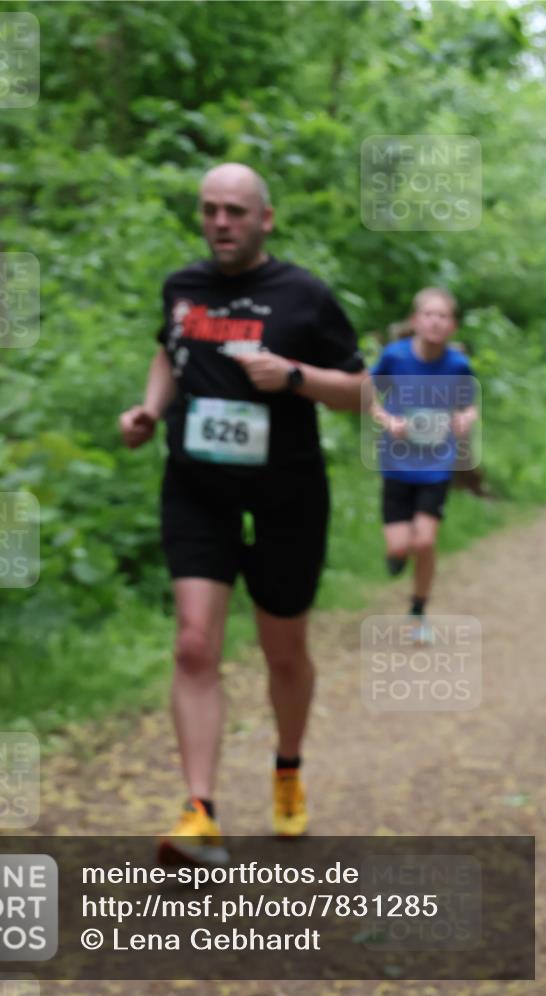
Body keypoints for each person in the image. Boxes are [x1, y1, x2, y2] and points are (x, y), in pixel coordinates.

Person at [119, 163, 365, 862]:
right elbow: (167, 353)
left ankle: (287, 767)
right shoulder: (181, 289)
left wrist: (293, 378)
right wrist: (149, 410)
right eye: (208, 210)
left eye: (233, 210)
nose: (219, 222)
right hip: (196, 487)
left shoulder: (304, 296)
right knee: (194, 643)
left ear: (265, 218)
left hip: (286, 492)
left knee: (282, 652)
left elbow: (362, 391)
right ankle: (199, 811)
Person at [369, 287, 478, 643]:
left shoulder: (458, 366)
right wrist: (388, 421)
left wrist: (465, 419)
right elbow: (367, 393)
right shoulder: (394, 357)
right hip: (397, 464)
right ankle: (397, 555)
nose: (435, 322)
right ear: (416, 321)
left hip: (436, 466)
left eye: (442, 316)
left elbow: (469, 405)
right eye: (428, 314)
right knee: (401, 546)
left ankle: (417, 611)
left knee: (426, 542)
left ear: (453, 326)